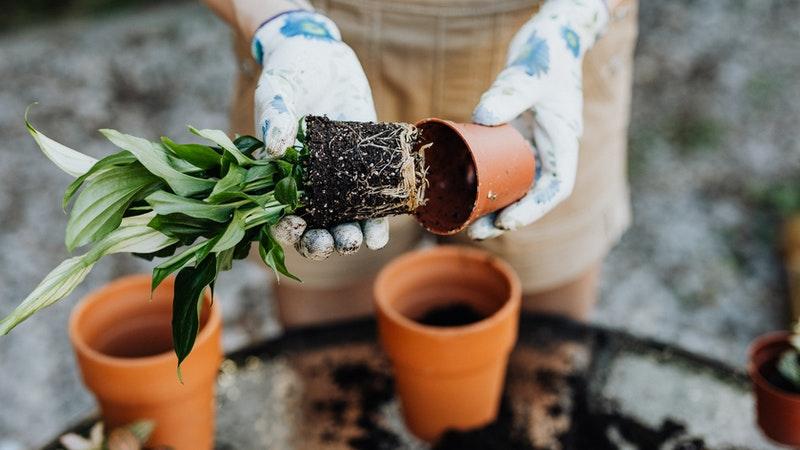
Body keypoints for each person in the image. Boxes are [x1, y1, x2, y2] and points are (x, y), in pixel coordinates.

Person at [203, 0, 637, 326]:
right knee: (333, 367)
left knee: (543, 363)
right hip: (326, 44)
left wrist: (576, 19)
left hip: (542, 48)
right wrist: (279, 23)